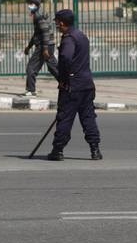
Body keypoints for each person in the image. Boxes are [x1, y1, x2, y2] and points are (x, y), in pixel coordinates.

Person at [47, 9, 101, 161]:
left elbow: (66, 57)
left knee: (65, 118)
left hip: (72, 87)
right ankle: (95, 149)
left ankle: (57, 150)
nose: (56, 25)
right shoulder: (81, 35)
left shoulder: (69, 39)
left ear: (62, 23)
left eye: (57, 22)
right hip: (87, 85)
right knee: (88, 118)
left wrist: (62, 77)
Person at [23, 0, 58, 96]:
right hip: (48, 45)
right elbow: (37, 34)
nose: (29, 5)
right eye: (29, 3)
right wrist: (29, 47)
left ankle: (30, 90)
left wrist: (45, 49)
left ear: (36, 4)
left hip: (44, 46)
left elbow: (45, 32)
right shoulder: (38, 14)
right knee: (54, 68)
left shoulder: (38, 16)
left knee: (31, 67)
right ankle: (68, 85)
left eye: (31, 3)